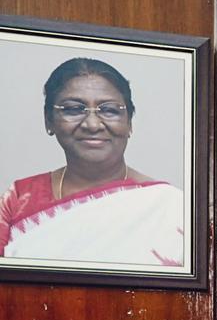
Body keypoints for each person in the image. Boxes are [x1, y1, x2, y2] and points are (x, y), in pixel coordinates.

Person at [0, 57, 185, 266]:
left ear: (129, 123)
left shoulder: (172, 209)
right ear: (48, 120)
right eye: (73, 109)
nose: (92, 124)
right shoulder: (19, 199)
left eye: (109, 110)